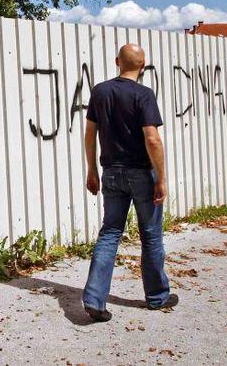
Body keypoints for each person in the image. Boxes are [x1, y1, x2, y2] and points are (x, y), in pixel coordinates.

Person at [81, 43, 178, 322]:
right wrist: (161, 178)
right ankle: (158, 297)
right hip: (140, 173)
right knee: (150, 234)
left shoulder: (100, 91)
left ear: (116, 62)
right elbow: (152, 139)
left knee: (110, 232)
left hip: (111, 172)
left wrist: (92, 170)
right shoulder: (144, 95)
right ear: (143, 66)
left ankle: (94, 298)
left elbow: (90, 135)